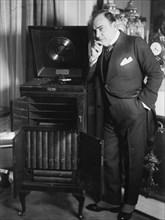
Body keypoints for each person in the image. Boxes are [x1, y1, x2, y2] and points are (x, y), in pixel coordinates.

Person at [86, 10, 164, 220]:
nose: (97, 34)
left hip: (134, 113)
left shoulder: (135, 43)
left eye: (100, 28)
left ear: (114, 24)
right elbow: (92, 81)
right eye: (94, 30)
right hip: (111, 115)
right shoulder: (100, 49)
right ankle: (111, 199)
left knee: (133, 160)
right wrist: (93, 61)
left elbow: (157, 73)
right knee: (110, 158)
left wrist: (143, 105)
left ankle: (129, 203)